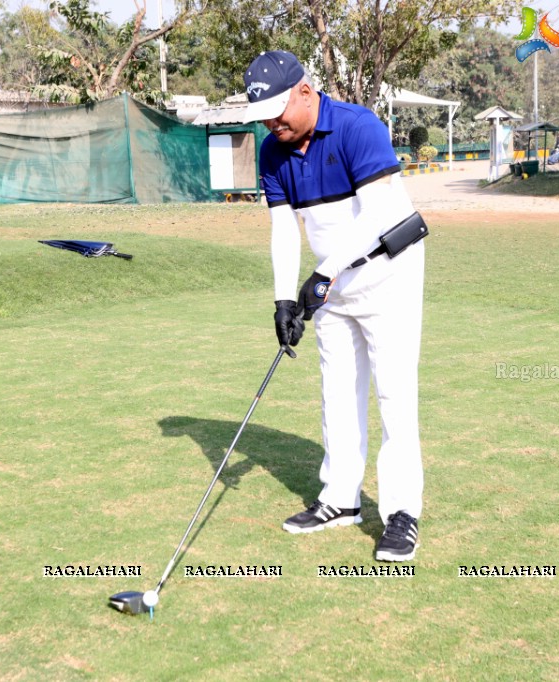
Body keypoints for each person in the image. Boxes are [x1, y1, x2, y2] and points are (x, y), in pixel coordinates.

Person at [243, 50, 425, 562]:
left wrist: (322, 273)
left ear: (305, 91)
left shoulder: (357, 127)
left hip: (388, 273)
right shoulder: (272, 151)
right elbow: (283, 228)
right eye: (263, 116)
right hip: (333, 282)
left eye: (279, 110)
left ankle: (402, 513)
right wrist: (282, 299)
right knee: (338, 392)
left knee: (393, 394)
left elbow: (382, 213)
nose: (272, 123)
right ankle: (340, 499)